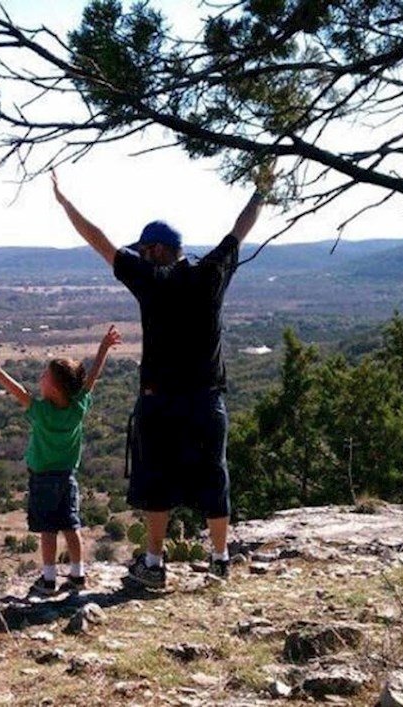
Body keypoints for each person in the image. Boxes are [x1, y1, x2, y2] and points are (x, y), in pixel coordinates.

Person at [51, 166, 273, 588]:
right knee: (214, 475)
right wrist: (262, 188)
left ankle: (153, 565)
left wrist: (65, 205)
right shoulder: (211, 275)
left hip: (160, 400)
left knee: (157, 480)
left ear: (154, 250)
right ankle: (220, 560)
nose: (141, 254)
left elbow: (99, 241)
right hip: (208, 399)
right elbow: (240, 227)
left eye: (144, 249)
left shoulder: (151, 281)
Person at [0, 325, 122, 595]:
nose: (40, 377)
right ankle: (78, 575)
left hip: (42, 478)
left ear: (56, 389)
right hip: (68, 478)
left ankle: (48, 580)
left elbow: (19, 392)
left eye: (45, 376)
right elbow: (92, 377)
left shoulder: (42, 412)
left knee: (48, 530)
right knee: (71, 525)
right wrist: (103, 347)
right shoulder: (78, 407)